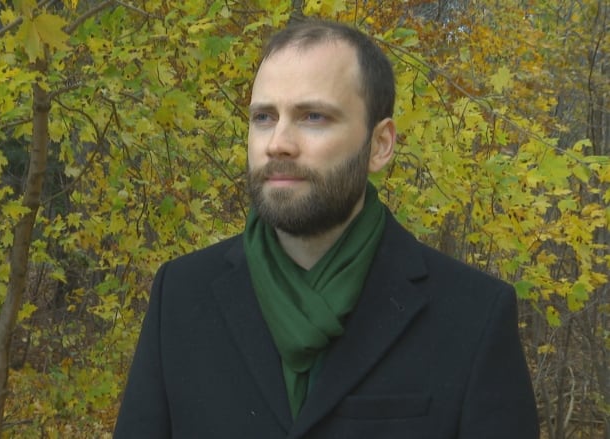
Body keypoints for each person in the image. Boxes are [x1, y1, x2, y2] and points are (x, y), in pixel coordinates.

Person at [114, 18, 539, 439]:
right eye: (264, 117)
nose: (278, 142)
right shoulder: (181, 296)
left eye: (313, 116)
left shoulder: (472, 316)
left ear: (379, 145)